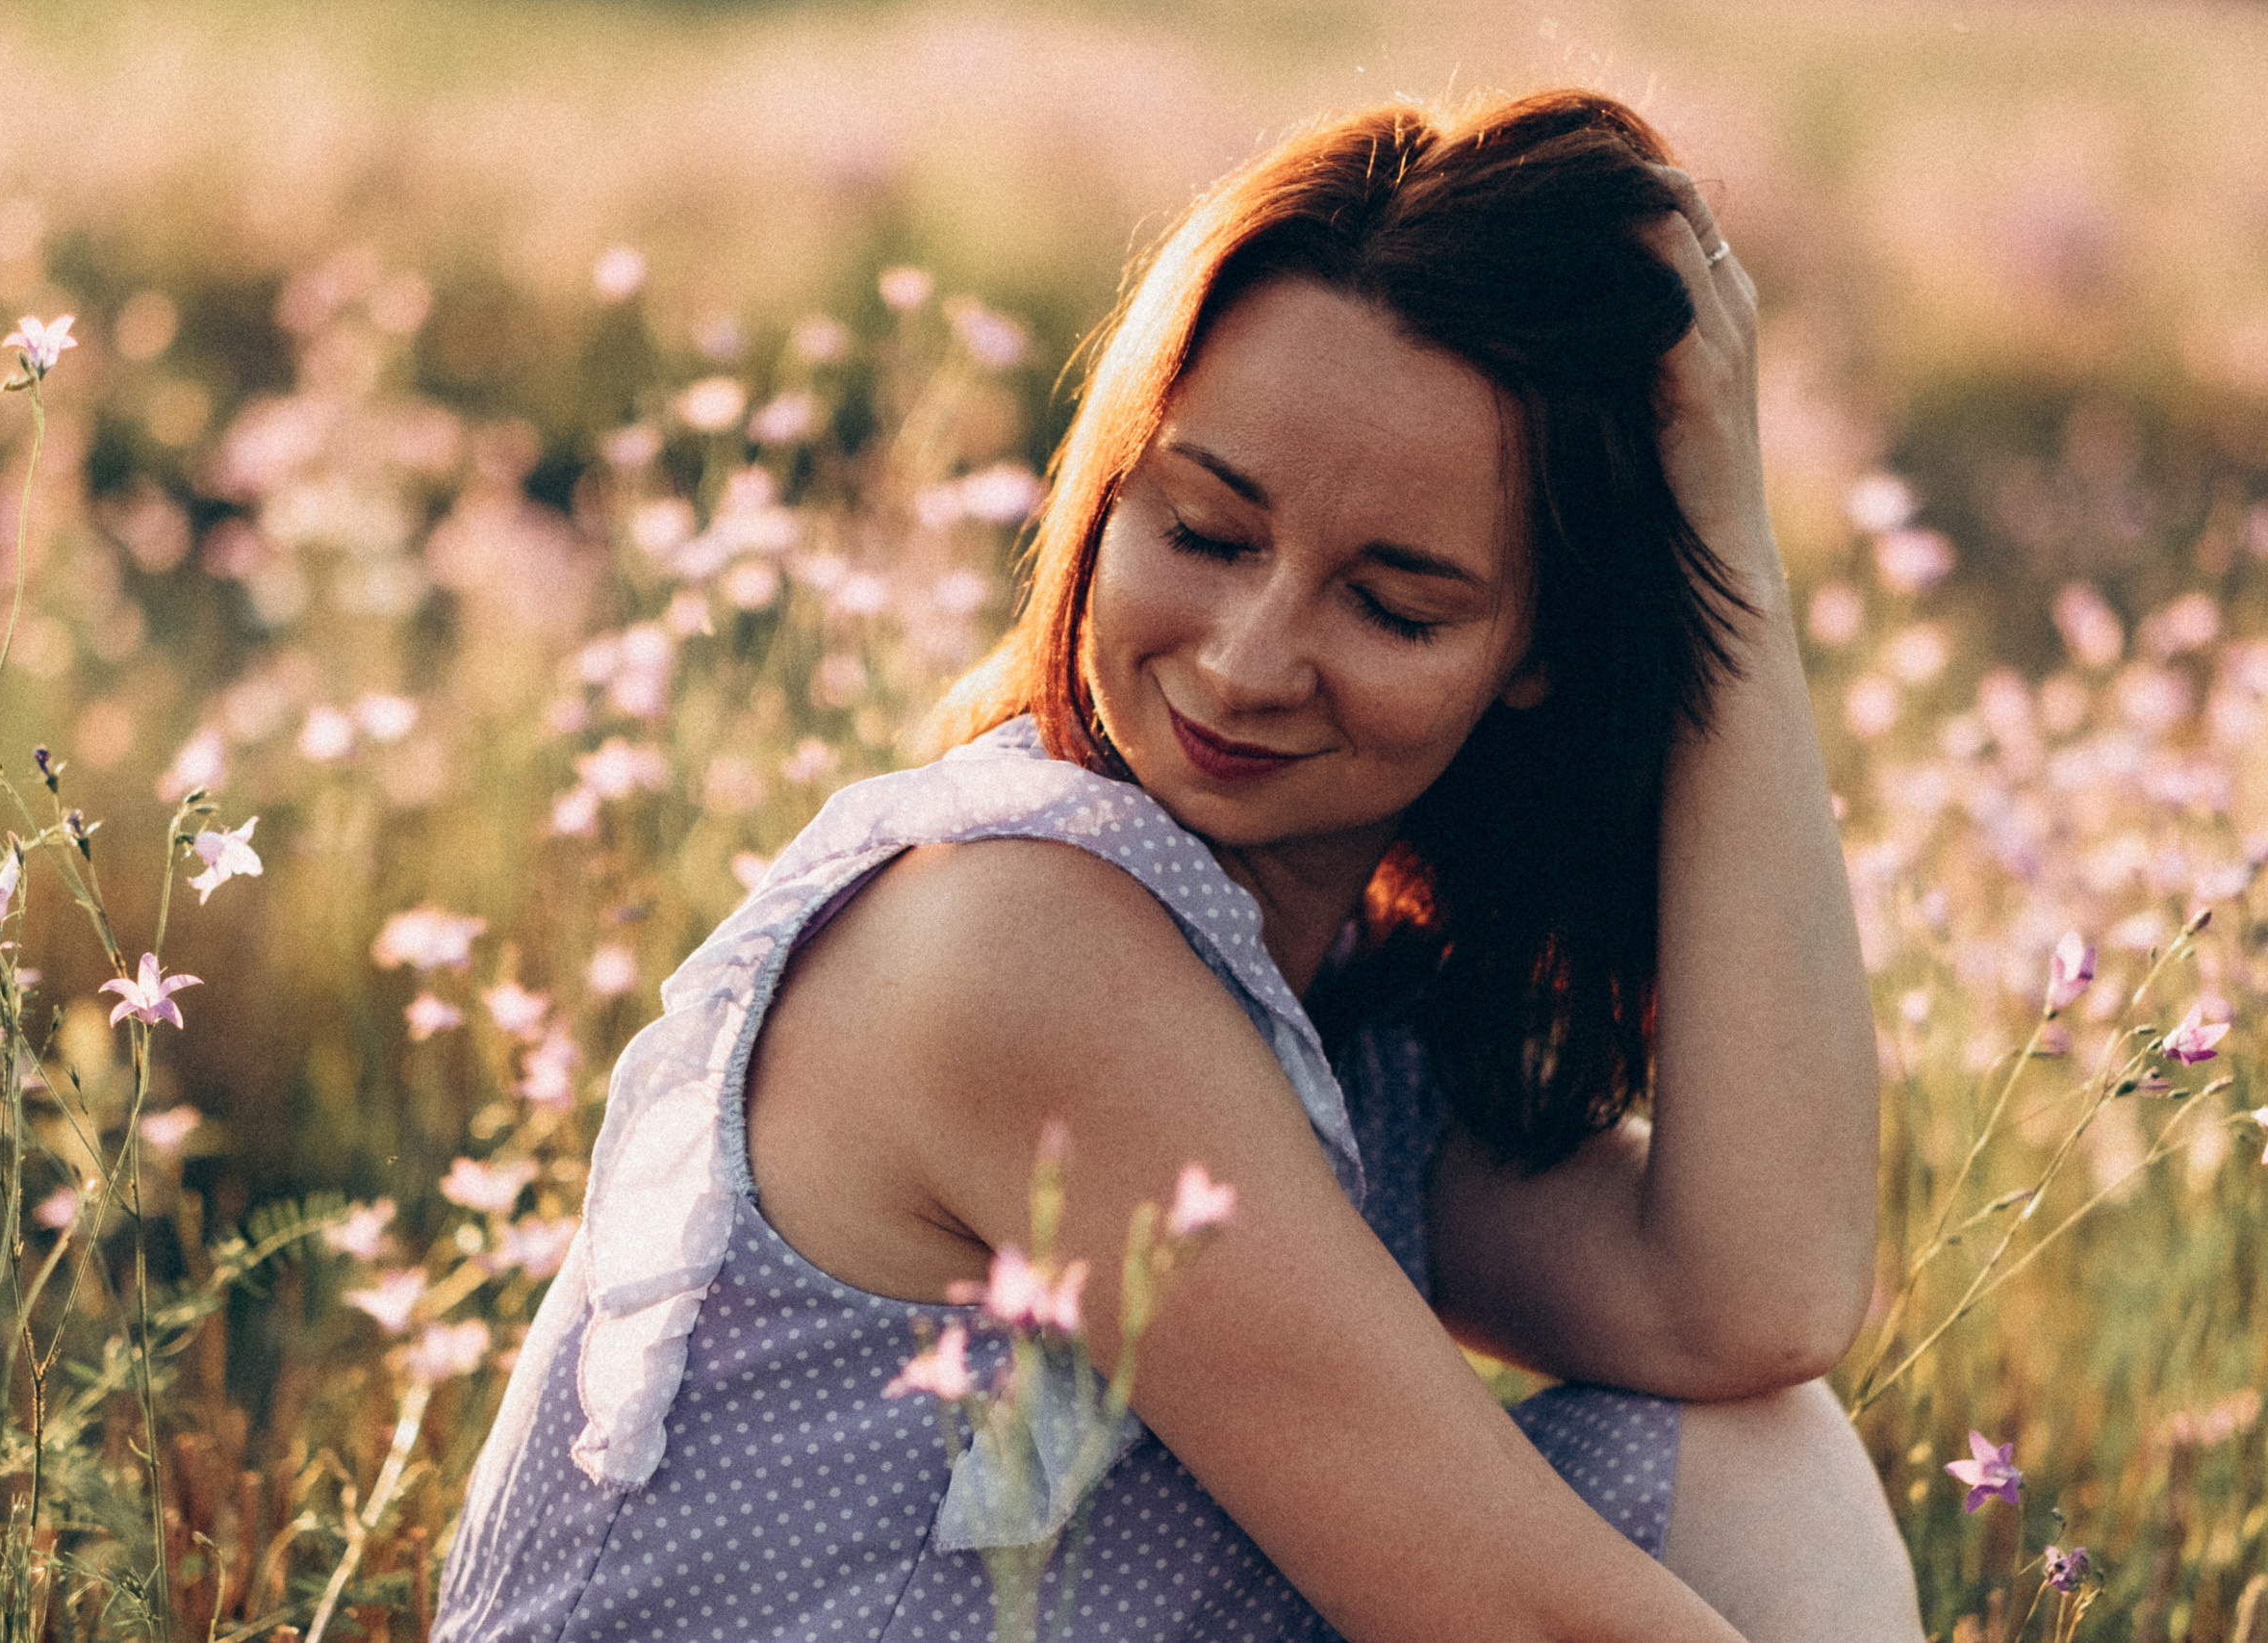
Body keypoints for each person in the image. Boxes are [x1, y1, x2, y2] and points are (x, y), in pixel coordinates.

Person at [435, 90, 1924, 1641]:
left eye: (1394, 607)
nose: (1246, 659)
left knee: (1748, 1459)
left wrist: (1726, 559)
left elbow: (1755, 1301)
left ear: (1539, 649)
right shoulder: (1015, 943)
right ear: (1110, 486)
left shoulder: (1327, 1005)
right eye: (1205, 533)